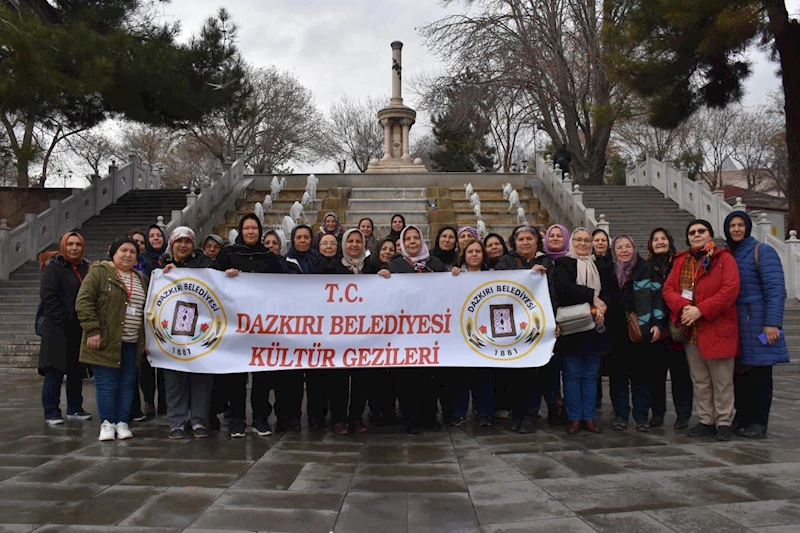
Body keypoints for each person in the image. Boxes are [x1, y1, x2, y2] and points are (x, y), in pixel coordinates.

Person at [663, 219, 740, 441]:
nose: (696, 235)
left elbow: (729, 291)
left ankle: (724, 421)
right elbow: (668, 289)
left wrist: (701, 310)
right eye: (692, 232)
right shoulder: (681, 261)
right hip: (691, 331)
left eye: (701, 231)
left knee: (722, 380)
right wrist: (684, 306)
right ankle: (706, 419)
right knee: (700, 380)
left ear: (710, 234)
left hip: (717, 327)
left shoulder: (724, 259)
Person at [214, 213, 289, 438]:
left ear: (259, 231)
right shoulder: (227, 254)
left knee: (262, 375)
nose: (250, 232)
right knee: (236, 375)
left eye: (254, 228)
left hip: (262, 325)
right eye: (246, 228)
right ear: (240, 230)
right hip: (235, 324)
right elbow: (212, 280)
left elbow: (285, 285)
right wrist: (224, 276)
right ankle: (238, 419)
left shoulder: (268, 256)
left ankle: (260, 418)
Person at [724, 211, 789, 439]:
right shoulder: (730, 253)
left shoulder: (762, 251)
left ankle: (759, 422)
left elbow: (776, 291)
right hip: (738, 323)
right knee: (741, 374)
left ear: (748, 227)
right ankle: (743, 417)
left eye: (741, 225)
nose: (736, 229)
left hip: (760, 323)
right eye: (732, 225)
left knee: (761, 374)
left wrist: (772, 323)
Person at [76, 237, 147, 441]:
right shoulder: (99, 273)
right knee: (107, 384)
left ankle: (122, 421)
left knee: (127, 383)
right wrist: (92, 330)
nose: (127, 255)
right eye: (123, 250)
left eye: (132, 252)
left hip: (132, 341)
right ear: (113, 253)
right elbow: (84, 302)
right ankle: (107, 423)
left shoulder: (141, 278)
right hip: (105, 340)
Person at [378, 225, 447, 434]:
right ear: (403, 243)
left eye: (416, 238)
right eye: (408, 239)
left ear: (422, 240)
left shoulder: (434, 263)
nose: (412, 242)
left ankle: (430, 417)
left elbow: (448, 289)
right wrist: (381, 276)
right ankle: (411, 418)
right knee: (406, 377)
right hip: (404, 331)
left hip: (430, 329)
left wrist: (455, 275)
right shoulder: (395, 264)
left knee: (430, 376)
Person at [496, 226, 555, 432]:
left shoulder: (547, 262)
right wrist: (528, 274)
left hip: (537, 324)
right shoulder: (506, 261)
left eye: (529, 238)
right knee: (514, 372)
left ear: (537, 242)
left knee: (534, 372)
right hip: (511, 324)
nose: (525, 242)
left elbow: (553, 293)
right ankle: (517, 413)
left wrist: (554, 322)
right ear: (514, 242)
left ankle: (530, 415)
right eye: (521, 239)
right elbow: (501, 283)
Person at [159, 227, 214, 439]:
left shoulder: (204, 265)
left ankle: (199, 420)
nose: (183, 245)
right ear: (172, 244)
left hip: (201, 329)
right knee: (174, 378)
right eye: (179, 241)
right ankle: (177, 422)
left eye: (187, 241)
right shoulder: (161, 268)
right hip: (173, 331)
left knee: (201, 377)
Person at [553, 228, 609, 435]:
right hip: (573, 326)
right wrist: (592, 298)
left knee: (590, 375)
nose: (583, 244)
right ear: (571, 242)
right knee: (572, 374)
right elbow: (564, 289)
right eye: (578, 240)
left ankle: (589, 417)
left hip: (595, 326)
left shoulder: (599, 264)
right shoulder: (564, 263)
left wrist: (602, 308)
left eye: (587, 240)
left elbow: (609, 290)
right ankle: (574, 417)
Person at [606, 235, 664, 432]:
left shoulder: (645, 268)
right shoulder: (608, 269)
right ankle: (620, 415)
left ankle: (641, 416)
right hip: (614, 330)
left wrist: (657, 323)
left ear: (634, 248)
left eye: (628, 246)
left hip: (641, 329)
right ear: (614, 250)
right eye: (619, 247)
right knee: (617, 377)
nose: (624, 251)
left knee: (641, 376)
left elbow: (657, 297)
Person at [38, 232, 91, 426]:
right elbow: (48, 296)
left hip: (79, 328)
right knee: (55, 371)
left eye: (78, 244)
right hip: (57, 329)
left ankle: (75, 408)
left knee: (76, 371)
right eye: (70, 244)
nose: (74, 248)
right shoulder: (54, 267)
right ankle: (51, 410)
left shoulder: (86, 267)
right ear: (63, 246)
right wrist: (64, 318)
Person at [647, 228, 693, 429]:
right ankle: (657, 413)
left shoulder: (681, 264)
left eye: (663, 238)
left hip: (677, 325)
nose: (659, 242)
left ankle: (683, 414)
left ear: (670, 241)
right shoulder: (646, 267)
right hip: (656, 328)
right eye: (655, 239)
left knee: (681, 374)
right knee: (655, 375)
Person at [451, 239, 495, 426]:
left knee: (484, 376)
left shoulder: (493, 275)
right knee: (461, 376)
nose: (475, 254)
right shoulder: (455, 275)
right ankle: (459, 413)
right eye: (470, 251)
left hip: (485, 333)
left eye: (478, 251)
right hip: (461, 334)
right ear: (464, 255)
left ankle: (484, 413)